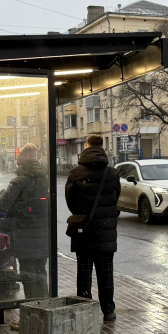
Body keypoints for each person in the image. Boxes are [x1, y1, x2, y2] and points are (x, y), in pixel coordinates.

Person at [65, 134, 121, 321]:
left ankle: (84, 310)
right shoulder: (112, 174)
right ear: (102, 147)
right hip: (106, 231)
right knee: (106, 274)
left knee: (84, 272)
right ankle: (108, 310)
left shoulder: (75, 174)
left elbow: (70, 202)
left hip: (84, 231)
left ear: (87, 146)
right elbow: (115, 199)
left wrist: (83, 211)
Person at [0, 143, 50, 329]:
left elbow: (2, 205)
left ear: (20, 163)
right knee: (41, 274)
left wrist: (3, 193)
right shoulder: (45, 179)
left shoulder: (18, 181)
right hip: (43, 234)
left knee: (28, 276)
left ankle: (30, 318)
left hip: (25, 234)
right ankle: (45, 314)